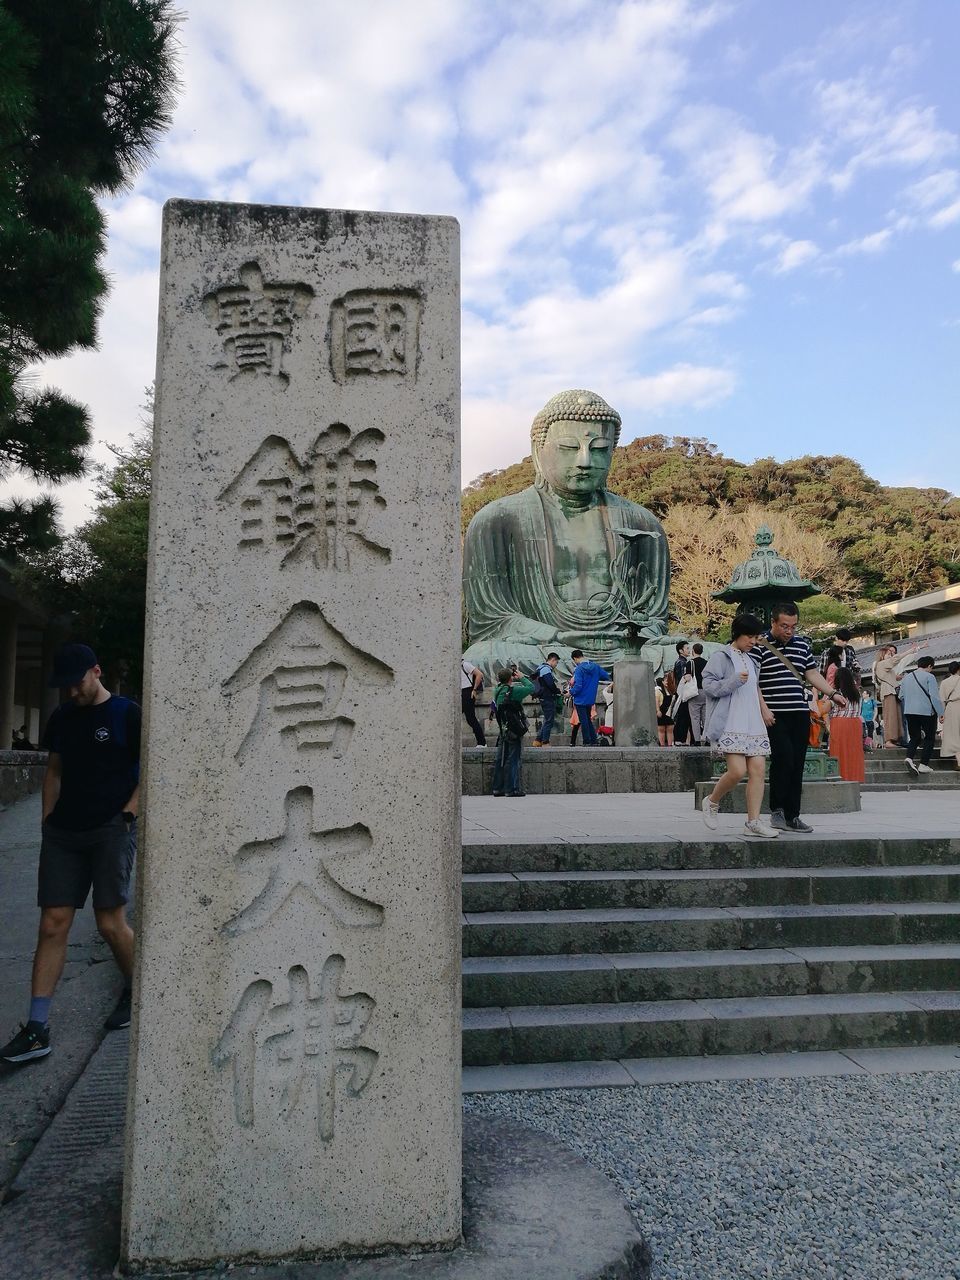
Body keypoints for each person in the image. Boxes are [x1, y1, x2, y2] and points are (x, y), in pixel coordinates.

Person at [462, 389, 670, 676]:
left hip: (625, 649)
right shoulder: (497, 520)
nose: (584, 461)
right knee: (486, 656)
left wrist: (633, 635)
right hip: (546, 648)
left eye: (598, 449)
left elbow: (654, 618)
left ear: (612, 452)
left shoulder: (643, 524)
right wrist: (555, 635)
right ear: (538, 449)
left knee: (699, 656)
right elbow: (491, 620)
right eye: (570, 448)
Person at [1, 644, 140, 1064]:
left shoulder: (125, 714)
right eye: (64, 686)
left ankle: (139, 992)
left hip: (111, 828)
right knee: (52, 924)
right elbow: (55, 771)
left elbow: (151, 767)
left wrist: (130, 813)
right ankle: (37, 1029)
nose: (71, 692)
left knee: (109, 922)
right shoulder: (62, 718)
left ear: (95, 672)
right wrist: (47, 822)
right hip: (64, 833)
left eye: (77, 682)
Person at [751, 602, 847, 833]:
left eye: (793, 626)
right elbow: (754, 681)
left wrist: (832, 694)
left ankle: (793, 815)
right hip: (775, 714)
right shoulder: (759, 645)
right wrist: (763, 709)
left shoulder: (801, 645)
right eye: (784, 626)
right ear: (773, 622)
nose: (789, 630)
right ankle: (777, 811)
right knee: (783, 758)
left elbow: (811, 673)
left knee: (797, 763)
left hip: (800, 712)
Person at [700, 614, 778, 839]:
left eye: (756, 637)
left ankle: (753, 822)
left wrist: (764, 710)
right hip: (731, 720)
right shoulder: (721, 656)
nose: (753, 642)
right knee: (737, 771)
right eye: (750, 636)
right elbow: (709, 687)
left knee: (758, 771)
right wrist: (733, 681)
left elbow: (755, 688)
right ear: (737, 634)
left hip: (752, 720)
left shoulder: (752, 659)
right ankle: (712, 801)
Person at [824, 646, 865, 783]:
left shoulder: (837, 695)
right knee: (854, 754)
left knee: (839, 753)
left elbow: (822, 710)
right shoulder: (857, 694)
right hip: (854, 724)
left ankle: (841, 779)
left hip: (839, 723)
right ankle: (855, 780)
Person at [491, 667, 535, 797]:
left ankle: (497, 788)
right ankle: (512, 789)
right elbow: (531, 687)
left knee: (500, 758)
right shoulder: (513, 691)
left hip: (503, 729)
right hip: (514, 729)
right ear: (511, 678)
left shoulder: (497, 690)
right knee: (513, 759)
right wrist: (521, 677)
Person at [900, 655, 944, 775]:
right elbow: (934, 697)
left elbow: (901, 696)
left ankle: (909, 758)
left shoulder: (906, 677)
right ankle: (923, 764)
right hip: (926, 712)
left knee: (915, 737)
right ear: (930, 666)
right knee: (929, 737)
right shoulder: (930, 676)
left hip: (909, 711)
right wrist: (941, 713)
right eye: (931, 667)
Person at [568, 649, 611, 746]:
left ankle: (587, 741)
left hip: (580, 699)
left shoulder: (579, 669)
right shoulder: (595, 666)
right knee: (587, 720)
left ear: (575, 658)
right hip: (590, 698)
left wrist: (570, 692)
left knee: (584, 721)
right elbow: (605, 676)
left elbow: (578, 686)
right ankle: (594, 740)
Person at [532, 652, 562, 747]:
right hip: (547, 697)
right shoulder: (546, 670)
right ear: (552, 660)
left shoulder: (540, 668)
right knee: (549, 720)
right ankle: (545, 742)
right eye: (556, 662)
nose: (556, 665)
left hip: (543, 697)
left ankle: (537, 740)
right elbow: (550, 684)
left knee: (547, 719)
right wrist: (557, 691)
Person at [460, 656, 487, 747]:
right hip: (460, 692)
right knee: (470, 719)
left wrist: (474, 689)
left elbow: (479, 674)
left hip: (467, 692)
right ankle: (481, 742)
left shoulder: (465, 665)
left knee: (471, 719)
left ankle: (482, 742)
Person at [671, 641, 694, 746]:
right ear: (681, 650)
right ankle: (680, 739)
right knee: (683, 716)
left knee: (683, 716)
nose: (689, 650)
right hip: (683, 694)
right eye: (687, 648)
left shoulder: (679, 661)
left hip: (681, 693)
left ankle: (680, 739)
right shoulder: (682, 662)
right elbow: (682, 680)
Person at [939, 661, 960, 771]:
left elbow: (942, 700)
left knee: (953, 734)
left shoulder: (944, 683)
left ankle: (959, 760)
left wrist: (941, 714)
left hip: (951, 707)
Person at [688, 643, 707, 745]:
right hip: (706, 691)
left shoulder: (690, 663)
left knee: (695, 717)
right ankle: (707, 739)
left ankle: (697, 740)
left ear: (693, 651)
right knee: (705, 717)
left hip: (694, 692)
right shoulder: (706, 663)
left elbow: (687, 677)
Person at [655, 677, 674, 746]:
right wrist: (658, 711)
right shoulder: (658, 691)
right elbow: (656, 701)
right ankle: (662, 746)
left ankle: (670, 745)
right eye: (665, 681)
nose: (667, 682)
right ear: (662, 682)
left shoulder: (671, 690)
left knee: (670, 729)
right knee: (661, 730)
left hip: (670, 712)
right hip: (662, 712)